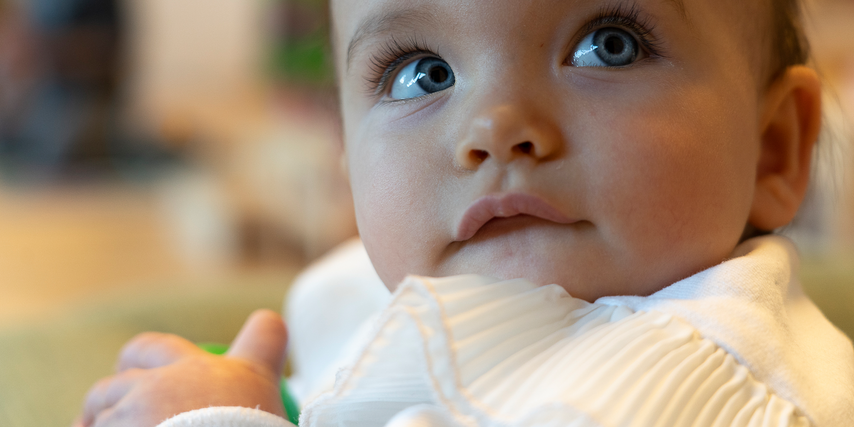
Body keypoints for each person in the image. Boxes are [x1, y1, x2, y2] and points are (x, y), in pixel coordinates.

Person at [75, 0, 854, 426]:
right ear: (346, 158)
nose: (496, 126)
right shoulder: (396, 287)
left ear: (772, 149)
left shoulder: (703, 382)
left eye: (607, 45)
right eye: (422, 73)